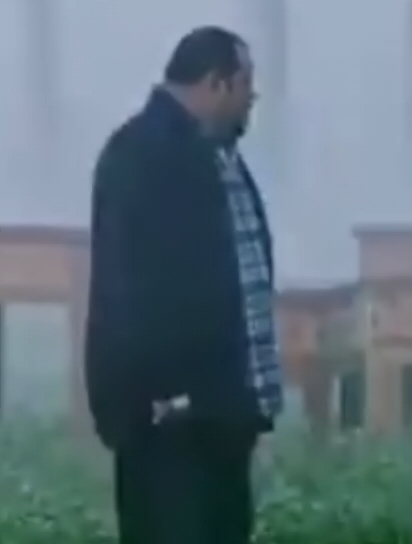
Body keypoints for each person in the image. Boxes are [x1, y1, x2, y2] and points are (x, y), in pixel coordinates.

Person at [84, 26, 284, 544]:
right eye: (246, 84)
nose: (252, 99)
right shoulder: (140, 156)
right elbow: (126, 291)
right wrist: (160, 394)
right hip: (170, 419)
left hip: (220, 415)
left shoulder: (217, 156)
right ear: (217, 83)